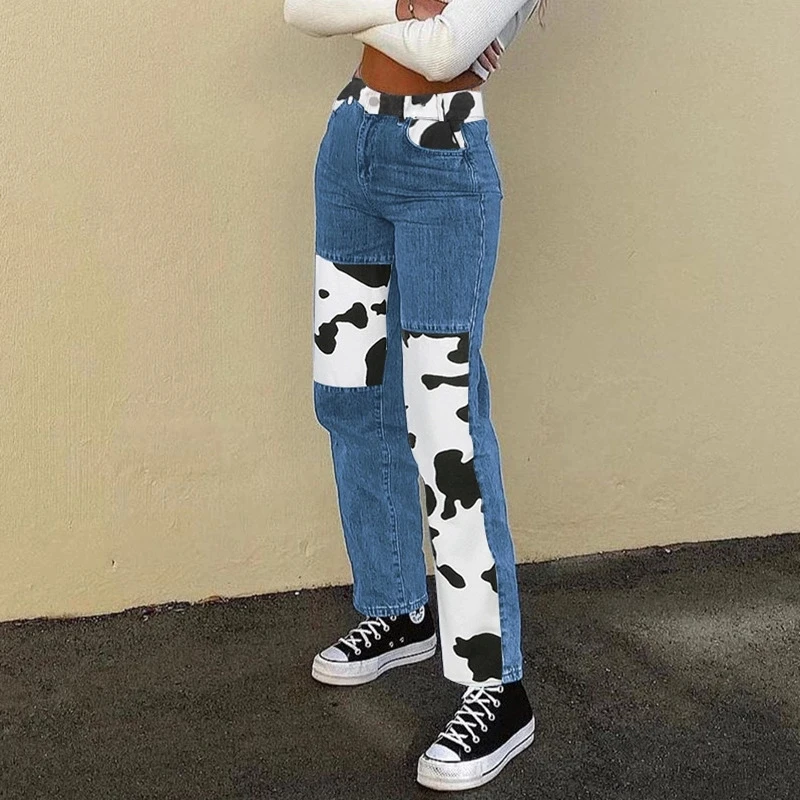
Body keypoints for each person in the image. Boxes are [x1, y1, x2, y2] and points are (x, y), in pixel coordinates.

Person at [283, 0, 549, 791]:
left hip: (443, 163)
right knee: (352, 396)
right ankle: (398, 607)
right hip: (351, 142)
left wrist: (358, 13)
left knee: (445, 419)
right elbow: (299, 7)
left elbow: (444, 55)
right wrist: (402, 7)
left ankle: (497, 688)